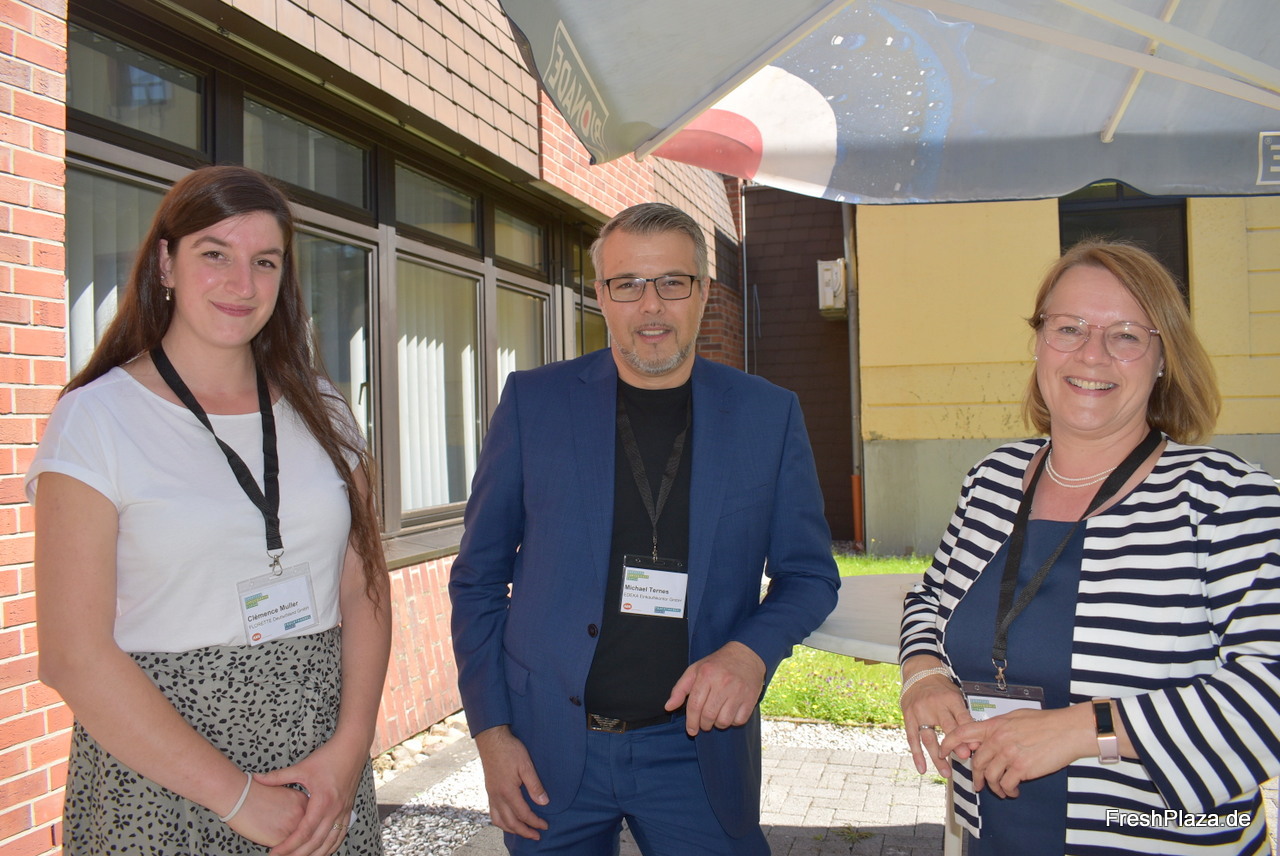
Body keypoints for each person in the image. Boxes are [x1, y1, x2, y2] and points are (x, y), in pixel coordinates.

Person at [449, 202, 839, 854]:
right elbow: (478, 580)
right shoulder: (533, 404)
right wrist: (491, 733)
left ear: (703, 292)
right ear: (600, 294)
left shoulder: (767, 417)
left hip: (697, 754)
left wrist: (749, 653)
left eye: (671, 282)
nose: (650, 305)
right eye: (627, 283)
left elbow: (810, 575)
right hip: (549, 750)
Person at [27, 166, 391, 855]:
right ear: (166, 263)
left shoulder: (325, 408)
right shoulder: (96, 419)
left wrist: (350, 749)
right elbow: (73, 656)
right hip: (162, 772)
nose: (242, 284)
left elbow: (364, 584)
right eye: (215, 254)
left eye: (265, 262)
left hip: (319, 767)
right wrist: (240, 799)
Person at [899, 240, 1280, 854]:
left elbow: (1271, 687)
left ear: (1164, 358)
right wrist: (923, 675)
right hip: (995, 837)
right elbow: (929, 601)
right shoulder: (992, 481)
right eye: (1069, 327)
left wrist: (1087, 729)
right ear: (1039, 342)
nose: (1091, 353)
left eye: (1126, 335)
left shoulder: (1226, 499)